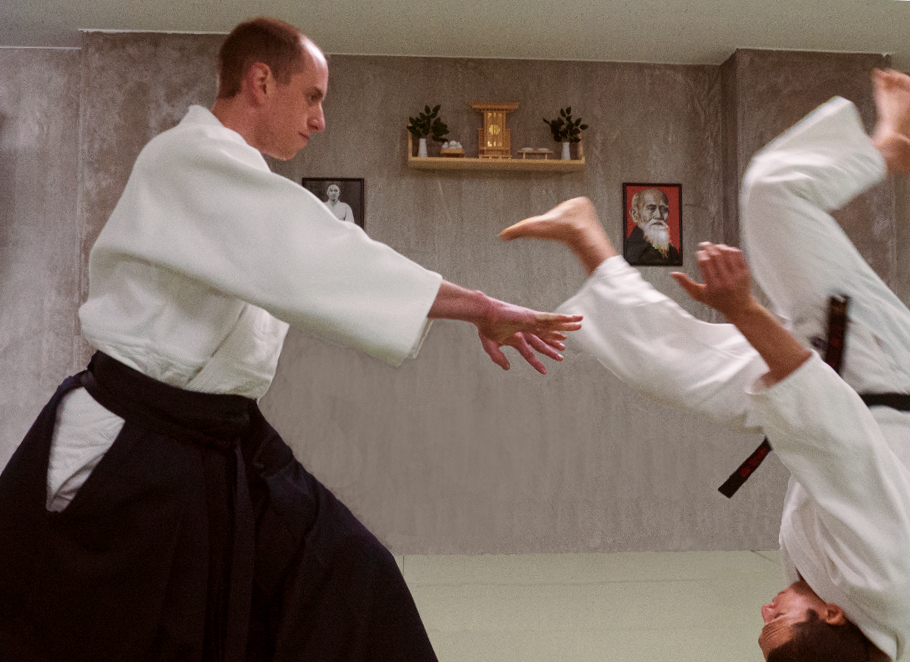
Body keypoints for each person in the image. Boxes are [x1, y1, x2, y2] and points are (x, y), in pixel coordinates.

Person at [0, 17, 581, 662]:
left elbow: (308, 261)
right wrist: (478, 306)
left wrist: (472, 307)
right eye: (313, 96)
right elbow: (319, 253)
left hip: (226, 435)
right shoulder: (185, 158)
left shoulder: (239, 178)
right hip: (137, 439)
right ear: (260, 81)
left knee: (353, 582)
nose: (320, 120)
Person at [501, 69, 910, 662]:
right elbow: (832, 431)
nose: (766, 608)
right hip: (871, 361)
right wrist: (741, 309)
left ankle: (583, 231)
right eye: (779, 620)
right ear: (833, 615)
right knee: (771, 189)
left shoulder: (852, 604)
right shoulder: (880, 567)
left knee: (667, 367)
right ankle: (891, 146)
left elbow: (818, 431)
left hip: (828, 386)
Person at [623, 187, 682, 266]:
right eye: (651, 208)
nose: (658, 215)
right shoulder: (627, 249)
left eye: (663, 209)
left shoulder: (672, 252)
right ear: (635, 215)